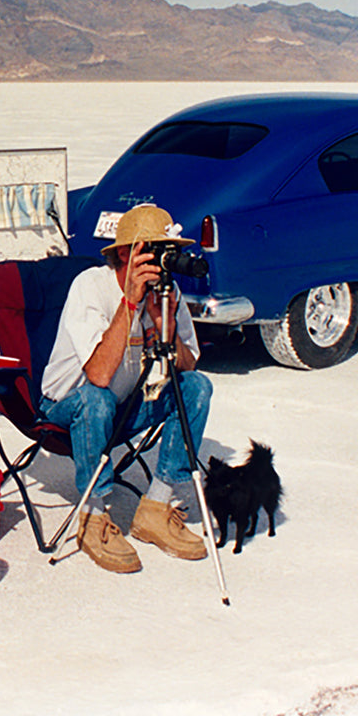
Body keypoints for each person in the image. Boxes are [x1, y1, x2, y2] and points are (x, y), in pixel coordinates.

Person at [39, 205, 215, 574]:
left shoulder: (168, 292)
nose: (162, 262)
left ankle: (156, 507)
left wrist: (162, 323)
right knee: (96, 399)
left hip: (126, 402)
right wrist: (130, 302)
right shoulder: (90, 286)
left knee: (196, 388)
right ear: (126, 253)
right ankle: (92, 515)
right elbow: (99, 375)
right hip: (68, 403)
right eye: (154, 250)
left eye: (168, 252)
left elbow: (189, 364)